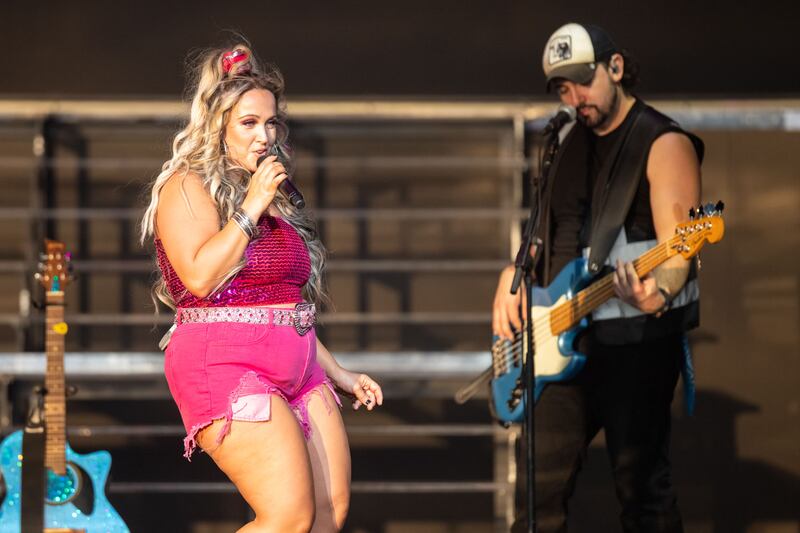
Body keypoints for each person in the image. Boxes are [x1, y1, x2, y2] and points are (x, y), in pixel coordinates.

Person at [140, 40, 383, 533]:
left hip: (298, 366)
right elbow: (201, 276)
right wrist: (249, 209)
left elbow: (283, 308)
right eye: (249, 123)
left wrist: (337, 370)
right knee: (288, 517)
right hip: (225, 364)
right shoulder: (187, 186)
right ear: (218, 126)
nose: (264, 136)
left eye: (271, 123)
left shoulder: (275, 200)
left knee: (327, 514)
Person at [492, 23, 703, 532]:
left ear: (616, 67)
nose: (575, 97)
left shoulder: (661, 140)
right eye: (563, 89)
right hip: (560, 336)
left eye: (583, 81)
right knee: (535, 494)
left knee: (643, 492)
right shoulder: (564, 142)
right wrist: (511, 275)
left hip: (636, 341)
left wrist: (658, 294)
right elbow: (547, 230)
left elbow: (682, 246)